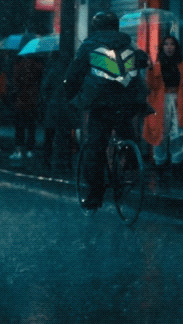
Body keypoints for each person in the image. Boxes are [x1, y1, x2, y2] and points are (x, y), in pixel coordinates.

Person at [64, 11, 151, 210]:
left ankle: (95, 194)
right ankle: (130, 162)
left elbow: (74, 74)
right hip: (129, 103)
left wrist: (70, 95)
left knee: (95, 146)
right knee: (126, 131)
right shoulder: (128, 44)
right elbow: (140, 65)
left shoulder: (89, 46)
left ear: (95, 27)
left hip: (101, 104)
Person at [142, 34, 183, 175]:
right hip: (160, 101)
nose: (169, 47)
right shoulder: (156, 66)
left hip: (177, 100)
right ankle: (160, 162)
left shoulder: (182, 65)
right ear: (162, 47)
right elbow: (151, 86)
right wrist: (150, 70)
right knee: (161, 131)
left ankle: (176, 162)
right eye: (166, 44)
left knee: (178, 132)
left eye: (172, 44)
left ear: (176, 47)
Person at [8, 53, 44, 160]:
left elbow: (15, 82)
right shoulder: (39, 66)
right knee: (31, 126)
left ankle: (19, 149)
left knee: (19, 126)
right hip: (33, 98)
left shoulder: (18, 66)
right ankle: (30, 149)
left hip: (21, 99)